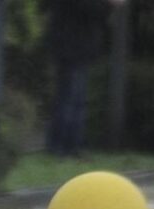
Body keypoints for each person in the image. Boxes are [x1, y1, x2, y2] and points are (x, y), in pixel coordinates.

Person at [47, 0, 125, 154]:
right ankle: (62, 145)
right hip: (72, 47)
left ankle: (70, 144)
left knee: (75, 99)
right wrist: (109, 5)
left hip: (76, 47)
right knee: (70, 98)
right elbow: (89, 9)